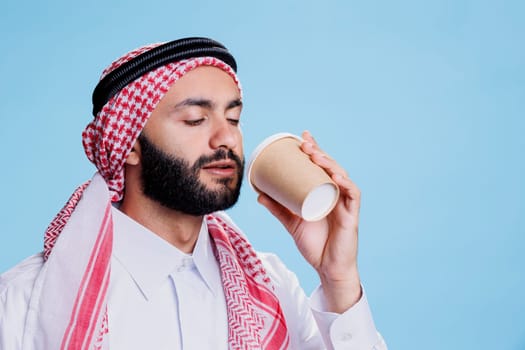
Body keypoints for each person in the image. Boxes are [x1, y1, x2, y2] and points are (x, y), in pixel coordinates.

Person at [0, 37, 387, 349]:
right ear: (128, 144)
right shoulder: (27, 300)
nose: (227, 138)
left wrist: (338, 279)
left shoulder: (270, 287)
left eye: (233, 118)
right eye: (195, 119)